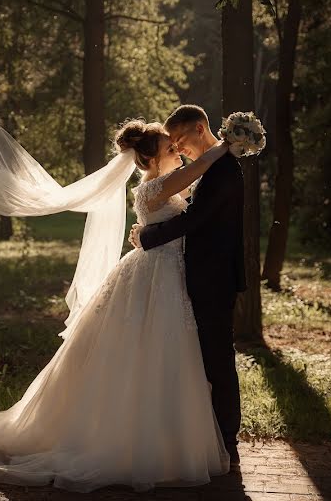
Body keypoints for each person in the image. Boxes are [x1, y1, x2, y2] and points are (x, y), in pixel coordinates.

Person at [0, 118, 233, 492]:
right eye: (171, 149)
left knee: (161, 355)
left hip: (165, 273)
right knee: (145, 352)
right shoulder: (156, 186)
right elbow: (200, 169)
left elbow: (191, 208)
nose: (178, 153)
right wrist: (226, 145)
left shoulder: (161, 185)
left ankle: (161, 440)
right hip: (155, 275)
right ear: (151, 161)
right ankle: (131, 443)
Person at [129, 105, 247, 466]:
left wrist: (147, 235)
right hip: (187, 276)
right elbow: (190, 214)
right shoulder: (208, 170)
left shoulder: (221, 170)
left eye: (179, 140)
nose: (178, 149)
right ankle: (196, 433)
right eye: (170, 146)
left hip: (212, 279)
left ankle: (226, 437)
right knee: (193, 360)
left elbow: (195, 218)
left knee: (216, 360)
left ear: (199, 129)